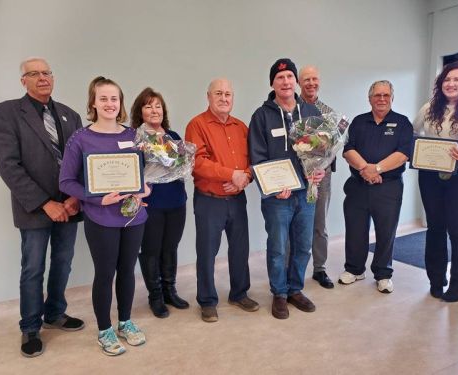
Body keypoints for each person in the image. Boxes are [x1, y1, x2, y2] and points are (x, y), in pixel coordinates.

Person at [0, 57, 84, 358]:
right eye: (34, 73)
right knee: (33, 268)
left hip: (69, 206)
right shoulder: (5, 113)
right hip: (34, 209)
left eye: (47, 73)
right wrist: (46, 203)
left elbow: (82, 162)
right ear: (23, 81)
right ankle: (30, 327)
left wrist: (75, 197)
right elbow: (9, 166)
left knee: (63, 262)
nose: (42, 78)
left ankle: (55, 313)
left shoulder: (71, 115)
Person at [60, 76, 150, 356]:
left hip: (134, 217)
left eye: (114, 98)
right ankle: (104, 330)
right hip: (101, 218)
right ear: (93, 103)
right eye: (103, 99)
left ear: (120, 103)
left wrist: (144, 188)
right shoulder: (81, 138)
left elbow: (144, 174)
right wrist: (98, 198)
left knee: (127, 271)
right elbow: (66, 182)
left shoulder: (134, 135)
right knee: (105, 273)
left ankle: (125, 322)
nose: (110, 104)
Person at [248, 58, 325, 320]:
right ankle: (279, 293)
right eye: (280, 78)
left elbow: (325, 149)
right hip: (278, 196)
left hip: (307, 193)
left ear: (296, 82)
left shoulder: (312, 113)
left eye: (290, 77)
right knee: (279, 246)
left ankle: (295, 289)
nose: (285, 82)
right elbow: (257, 157)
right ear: (272, 83)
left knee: (303, 245)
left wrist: (322, 167)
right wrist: (272, 187)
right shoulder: (262, 116)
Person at [185, 78, 259, 323]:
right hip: (210, 201)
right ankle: (207, 301)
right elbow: (198, 162)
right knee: (207, 252)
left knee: (240, 249)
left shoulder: (241, 127)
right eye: (219, 93)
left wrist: (245, 177)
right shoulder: (197, 124)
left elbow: (252, 160)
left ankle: (239, 293)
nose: (224, 98)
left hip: (237, 199)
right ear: (208, 96)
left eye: (228, 94)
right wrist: (231, 174)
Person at [413, 61, 458, 302]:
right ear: (440, 83)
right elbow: (412, 134)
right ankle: (436, 280)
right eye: (447, 80)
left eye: (457, 80)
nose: (451, 84)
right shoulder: (430, 107)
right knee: (435, 228)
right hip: (431, 175)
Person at [339, 80, 413, 293]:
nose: (382, 99)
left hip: (388, 188)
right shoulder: (359, 122)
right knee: (355, 229)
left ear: (392, 98)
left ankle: (383, 274)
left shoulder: (402, 123)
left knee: (386, 231)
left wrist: (377, 169)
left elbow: (403, 154)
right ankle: (354, 269)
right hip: (358, 185)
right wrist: (365, 169)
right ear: (369, 98)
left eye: (386, 95)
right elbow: (347, 149)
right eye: (377, 95)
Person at [130, 88, 189, 318]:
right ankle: (155, 296)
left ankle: (169, 290)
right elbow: (133, 171)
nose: (154, 110)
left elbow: (182, 167)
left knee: (170, 247)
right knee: (151, 250)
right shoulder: (135, 138)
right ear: (140, 112)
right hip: (151, 202)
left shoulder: (173, 136)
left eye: (157, 106)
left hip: (176, 200)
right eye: (148, 106)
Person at [298, 64, 335, 289]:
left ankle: (319, 269)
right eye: (306, 80)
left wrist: (323, 164)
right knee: (295, 223)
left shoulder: (328, 112)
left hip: (322, 175)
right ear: (299, 83)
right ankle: (291, 269)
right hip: (298, 175)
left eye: (314, 79)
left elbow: (334, 145)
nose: (311, 84)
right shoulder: (293, 109)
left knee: (319, 223)